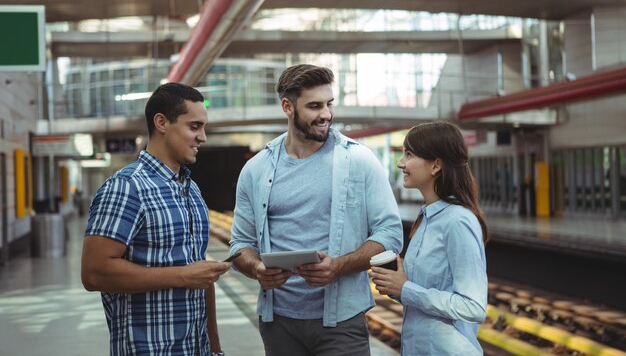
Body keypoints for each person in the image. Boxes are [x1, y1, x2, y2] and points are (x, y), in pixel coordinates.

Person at [229, 64, 403, 356]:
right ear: (287, 106)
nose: (326, 114)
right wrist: (258, 268)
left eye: (329, 104)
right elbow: (240, 245)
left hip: (342, 322)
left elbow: (391, 234)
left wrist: (338, 267)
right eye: (314, 106)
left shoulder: (359, 160)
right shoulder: (256, 169)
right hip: (278, 322)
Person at [81, 83, 231, 356]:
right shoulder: (126, 187)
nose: (203, 137)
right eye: (194, 126)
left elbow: (200, 275)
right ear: (161, 122)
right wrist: (183, 276)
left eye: (204, 127)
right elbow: (94, 272)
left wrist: (215, 347)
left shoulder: (191, 189)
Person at [369, 121, 489, 356]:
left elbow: (474, 307)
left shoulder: (457, 221)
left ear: (435, 165)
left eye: (409, 154)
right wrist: (395, 285)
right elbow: (422, 296)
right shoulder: (426, 218)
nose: (400, 163)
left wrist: (405, 288)